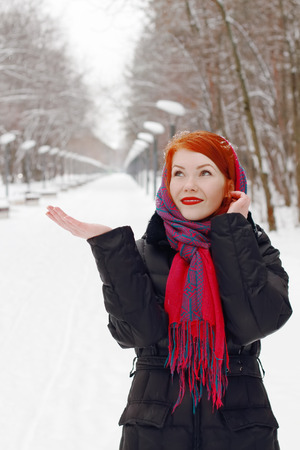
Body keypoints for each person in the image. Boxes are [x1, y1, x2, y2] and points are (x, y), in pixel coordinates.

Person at [46, 130, 292, 450]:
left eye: (205, 172)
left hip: (240, 428)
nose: (188, 184)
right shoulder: (145, 251)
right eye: (179, 173)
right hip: (154, 427)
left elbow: (256, 322)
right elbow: (136, 334)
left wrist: (233, 233)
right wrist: (113, 250)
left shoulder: (255, 250)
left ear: (230, 184)